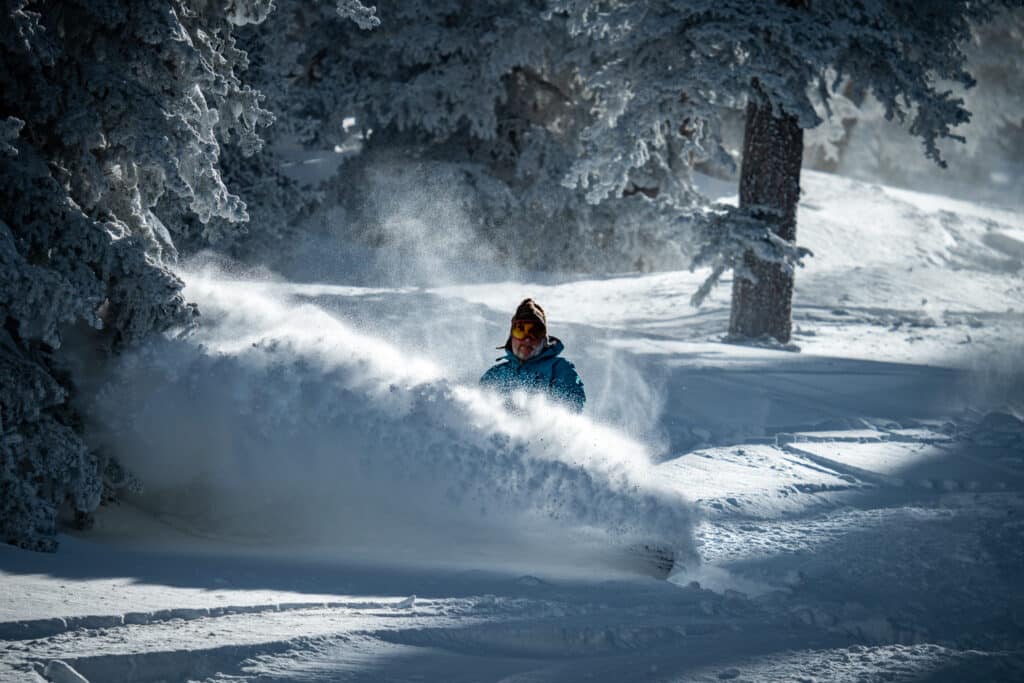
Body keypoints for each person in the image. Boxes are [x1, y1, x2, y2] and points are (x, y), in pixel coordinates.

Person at [480, 298, 586, 412]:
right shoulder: (495, 374)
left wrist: (535, 413)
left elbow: (572, 405)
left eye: (535, 332)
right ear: (511, 337)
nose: (527, 340)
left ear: (544, 339)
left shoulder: (558, 369)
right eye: (520, 331)